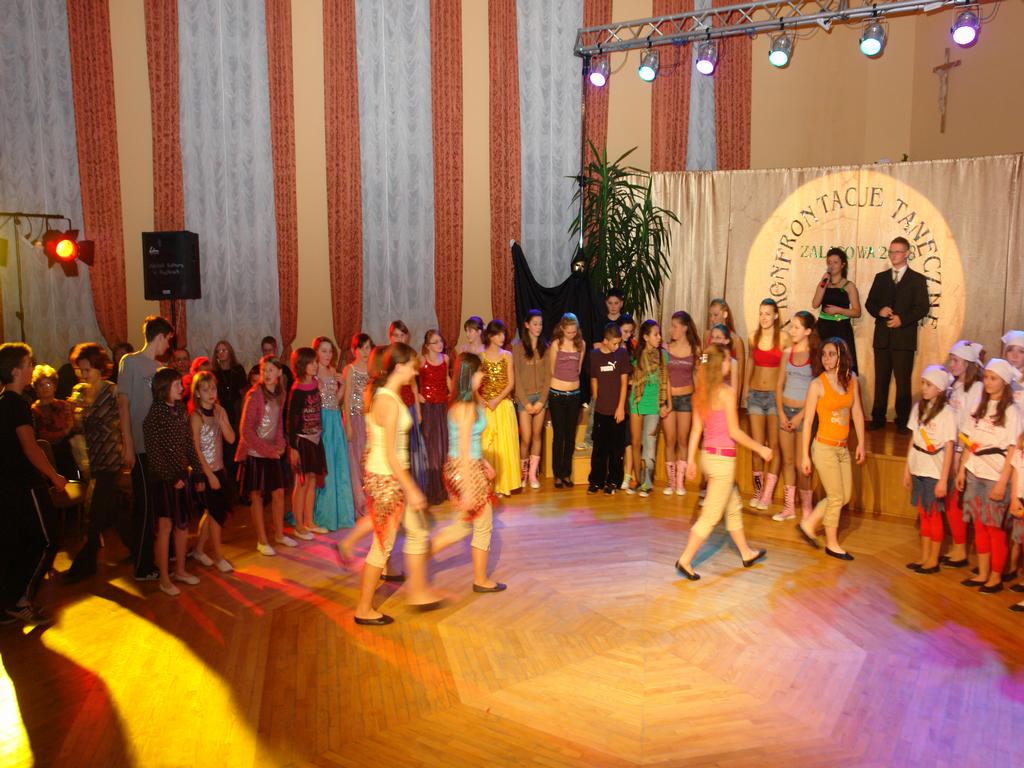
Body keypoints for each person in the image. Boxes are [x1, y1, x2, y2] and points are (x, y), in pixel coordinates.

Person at [348, 343, 442, 625]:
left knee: (417, 530)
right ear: (399, 367)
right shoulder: (387, 401)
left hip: (390, 476)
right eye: (413, 367)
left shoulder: (387, 395)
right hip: (388, 479)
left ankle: (418, 592)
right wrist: (410, 488)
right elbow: (389, 453)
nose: (416, 372)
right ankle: (363, 609)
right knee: (382, 545)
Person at [675, 345, 770, 581]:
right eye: (727, 360)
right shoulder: (726, 393)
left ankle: (746, 553)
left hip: (708, 457)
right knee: (710, 516)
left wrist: (691, 460)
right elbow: (735, 432)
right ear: (719, 365)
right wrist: (760, 448)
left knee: (733, 507)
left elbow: (696, 430)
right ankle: (685, 559)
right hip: (722, 462)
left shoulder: (701, 393)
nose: (730, 363)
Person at [0, 343, 66, 624]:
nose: (32, 368)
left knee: (17, 543)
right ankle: (21, 600)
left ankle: (8, 602)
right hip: (26, 485)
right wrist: (54, 476)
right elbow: (30, 448)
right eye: (28, 364)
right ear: (16, 371)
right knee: (48, 539)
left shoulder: (3, 401)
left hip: (8, 486)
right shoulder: (17, 404)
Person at [430, 353, 506, 592]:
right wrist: (469, 490)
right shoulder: (465, 407)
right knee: (482, 524)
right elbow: (463, 450)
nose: (483, 375)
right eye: (480, 371)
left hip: (467, 466)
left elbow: (468, 442)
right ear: (469, 375)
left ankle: (419, 555)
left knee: (462, 526)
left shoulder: (467, 402)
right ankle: (480, 580)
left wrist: (483, 462)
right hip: (465, 469)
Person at [63, 344, 132, 583]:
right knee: (112, 510)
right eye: (80, 370)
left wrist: (128, 448)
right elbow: (77, 427)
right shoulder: (81, 393)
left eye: (88, 370)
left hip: (111, 457)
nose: (83, 375)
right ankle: (139, 546)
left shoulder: (112, 391)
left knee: (95, 513)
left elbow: (126, 420)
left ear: (100, 369)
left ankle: (85, 563)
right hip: (94, 458)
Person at [956, 359, 1021, 594]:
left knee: (994, 527)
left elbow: (1013, 448)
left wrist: (1003, 482)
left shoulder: (1012, 411)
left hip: (995, 475)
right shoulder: (979, 405)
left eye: (993, 378)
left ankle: (995, 576)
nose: (988, 382)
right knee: (979, 525)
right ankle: (982, 572)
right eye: (986, 377)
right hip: (975, 471)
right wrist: (962, 469)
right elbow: (970, 442)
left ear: (1004, 382)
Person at [798, 338, 866, 560]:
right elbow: (808, 421)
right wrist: (805, 455)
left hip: (842, 448)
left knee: (844, 496)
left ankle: (809, 523)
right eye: (824, 354)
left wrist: (862, 443)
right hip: (823, 448)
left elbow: (857, 412)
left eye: (832, 354)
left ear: (841, 356)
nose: (827, 359)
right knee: (836, 497)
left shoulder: (851, 379)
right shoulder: (817, 385)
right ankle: (832, 543)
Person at [118, 315, 174, 581]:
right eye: (168, 339)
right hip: (140, 445)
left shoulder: (161, 369)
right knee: (144, 506)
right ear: (160, 336)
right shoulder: (129, 362)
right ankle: (142, 565)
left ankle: (161, 555)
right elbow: (123, 404)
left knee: (157, 504)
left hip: (158, 447)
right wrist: (128, 443)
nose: (168, 345)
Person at [143, 367, 203, 597]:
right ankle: (164, 578)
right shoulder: (155, 415)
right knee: (165, 526)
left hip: (181, 475)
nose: (182, 387)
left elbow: (188, 443)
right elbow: (155, 453)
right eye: (177, 384)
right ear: (164, 387)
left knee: (183, 524)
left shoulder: (180, 409)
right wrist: (171, 477)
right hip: (164, 479)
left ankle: (180, 570)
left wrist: (197, 472)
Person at [864, 236, 931, 433]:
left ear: (907, 253)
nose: (894, 255)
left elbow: (922, 307)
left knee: (903, 382)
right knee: (881, 380)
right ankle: (878, 418)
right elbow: (869, 303)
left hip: (904, 339)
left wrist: (903, 319)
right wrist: (879, 311)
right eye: (891, 252)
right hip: (882, 339)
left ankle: (903, 421)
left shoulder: (917, 279)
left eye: (898, 251)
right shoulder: (881, 278)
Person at [903, 366, 956, 574]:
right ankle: (924, 556)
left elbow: (949, 447)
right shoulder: (918, 408)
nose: (924, 388)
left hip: (934, 471)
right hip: (918, 466)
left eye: (929, 384)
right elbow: (913, 440)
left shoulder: (947, 413)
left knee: (933, 514)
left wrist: (943, 479)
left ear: (940, 388)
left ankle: (933, 559)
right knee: (923, 514)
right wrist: (907, 469)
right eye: (923, 383)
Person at [236, 355, 291, 556]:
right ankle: (262, 540)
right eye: (263, 370)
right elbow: (246, 431)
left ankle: (279, 534)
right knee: (257, 495)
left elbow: (278, 424)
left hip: (271, 452)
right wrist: (268, 451)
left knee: (278, 492)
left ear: (279, 373)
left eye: (270, 370)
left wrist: (281, 445)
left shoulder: (280, 393)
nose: (266, 374)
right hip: (255, 452)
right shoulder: (254, 395)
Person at [942, 340, 986, 567]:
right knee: (951, 500)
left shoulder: (976, 388)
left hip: (964, 450)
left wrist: (960, 453)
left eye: (956, 360)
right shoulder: (953, 384)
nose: (952, 364)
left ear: (968, 364)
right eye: (951, 360)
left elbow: (970, 423)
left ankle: (965, 550)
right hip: (950, 448)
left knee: (959, 501)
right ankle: (958, 547)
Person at [773, 311, 819, 522]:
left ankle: (807, 509)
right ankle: (789, 507)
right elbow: (779, 385)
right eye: (791, 326)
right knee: (788, 461)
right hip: (786, 411)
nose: (792, 331)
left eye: (796, 327)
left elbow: (816, 390)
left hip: (804, 415)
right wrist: (781, 413)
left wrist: (801, 415)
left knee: (802, 464)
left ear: (808, 331)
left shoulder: (814, 354)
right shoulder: (787, 352)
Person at [188, 370, 236, 573]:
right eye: (205, 389)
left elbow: (231, 439)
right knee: (216, 515)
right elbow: (196, 450)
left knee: (212, 513)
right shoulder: (196, 416)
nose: (210, 393)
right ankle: (218, 556)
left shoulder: (219, 410)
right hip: (205, 472)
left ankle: (199, 550)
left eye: (213, 389)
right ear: (198, 393)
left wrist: (222, 419)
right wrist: (209, 476)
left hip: (219, 468)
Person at [744, 299, 787, 510]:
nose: (764, 317)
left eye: (768, 313)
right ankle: (758, 490)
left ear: (776, 315)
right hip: (755, 395)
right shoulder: (753, 337)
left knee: (775, 446)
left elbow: (788, 368)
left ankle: (768, 494)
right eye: (761, 313)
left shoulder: (784, 338)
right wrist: (745, 388)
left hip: (774, 397)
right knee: (758, 445)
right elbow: (750, 362)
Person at [312, 336, 356, 529]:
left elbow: (336, 400)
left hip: (335, 420)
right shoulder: (313, 372)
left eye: (330, 351)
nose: (328, 355)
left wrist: (343, 385)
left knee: (338, 462)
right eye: (324, 351)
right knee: (326, 464)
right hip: (321, 420)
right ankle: (325, 513)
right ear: (316, 352)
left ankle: (341, 512)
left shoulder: (332, 371)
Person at [286, 347, 328, 540]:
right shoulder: (296, 390)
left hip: (315, 439)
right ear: (301, 365)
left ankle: (309, 521)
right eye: (311, 363)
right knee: (301, 482)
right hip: (302, 441)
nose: (315, 365)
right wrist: (293, 448)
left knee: (312, 480)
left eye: (315, 362)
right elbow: (290, 421)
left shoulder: (315, 384)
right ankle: (299, 525)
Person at [628, 320, 669, 497]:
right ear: (645, 337)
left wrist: (665, 403)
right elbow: (630, 377)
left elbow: (666, 381)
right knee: (636, 442)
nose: (659, 337)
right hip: (637, 403)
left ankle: (647, 483)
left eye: (659, 334)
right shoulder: (636, 356)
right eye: (655, 334)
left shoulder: (663, 355)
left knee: (650, 445)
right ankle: (638, 479)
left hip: (654, 405)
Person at [588, 323, 631, 494]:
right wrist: (596, 396)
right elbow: (593, 378)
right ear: (605, 341)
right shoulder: (594, 355)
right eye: (614, 343)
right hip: (601, 409)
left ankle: (613, 481)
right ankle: (596, 481)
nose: (617, 346)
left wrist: (620, 408)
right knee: (599, 447)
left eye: (619, 342)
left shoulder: (622, 354)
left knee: (616, 448)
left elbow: (624, 383)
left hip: (617, 410)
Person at [480, 319, 521, 495]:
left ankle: (504, 484)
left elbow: (511, 383)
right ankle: (489, 485)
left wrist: (496, 400)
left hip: (503, 405)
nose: (502, 337)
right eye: (498, 334)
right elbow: (475, 384)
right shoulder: (481, 356)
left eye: (503, 333)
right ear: (490, 336)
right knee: (489, 446)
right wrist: (481, 399)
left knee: (504, 444)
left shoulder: (507, 355)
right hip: (486, 407)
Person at [662, 311, 700, 497]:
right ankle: (670, 482)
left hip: (687, 399)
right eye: (672, 326)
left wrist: (701, 400)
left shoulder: (696, 349)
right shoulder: (665, 348)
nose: (672, 330)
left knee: (683, 439)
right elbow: (662, 376)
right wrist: (662, 401)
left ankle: (680, 482)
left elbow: (700, 372)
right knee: (670, 440)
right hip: (669, 399)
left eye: (675, 326)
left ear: (685, 328)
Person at [389, 321, 428, 494]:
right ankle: (402, 487)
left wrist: (418, 411)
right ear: (391, 337)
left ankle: (413, 485)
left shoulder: (410, 355)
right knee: (397, 446)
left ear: (406, 337)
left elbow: (413, 385)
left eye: (402, 335)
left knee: (411, 448)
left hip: (409, 406)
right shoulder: (390, 357)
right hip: (395, 406)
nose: (399, 338)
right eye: (396, 335)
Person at [513, 309, 550, 489]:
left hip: (541, 399)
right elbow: (516, 379)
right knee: (526, 438)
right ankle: (523, 473)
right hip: (524, 399)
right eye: (535, 324)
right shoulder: (518, 348)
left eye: (540, 324)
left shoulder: (546, 347)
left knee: (537, 436)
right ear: (527, 325)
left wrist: (542, 401)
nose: (538, 327)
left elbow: (549, 377)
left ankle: (533, 475)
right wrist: (526, 403)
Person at [548, 313, 584, 489]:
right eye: (568, 332)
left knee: (570, 436)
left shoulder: (581, 344)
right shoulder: (556, 344)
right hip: (557, 395)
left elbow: (578, 369)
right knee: (559, 435)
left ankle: (566, 473)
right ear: (562, 328)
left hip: (574, 395)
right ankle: (557, 474)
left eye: (574, 331)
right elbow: (552, 369)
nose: (571, 334)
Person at [812, 247, 861, 373]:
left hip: (841, 328)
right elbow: (815, 304)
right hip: (823, 327)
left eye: (835, 262)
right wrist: (823, 283)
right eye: (829, 262)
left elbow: (857, 312)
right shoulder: (823, 283)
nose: (831, 266)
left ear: (843, 265)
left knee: (841, 364)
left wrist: (838, 310)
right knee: (822, 363)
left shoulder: (849, 286)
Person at [342, 333, 373, 518]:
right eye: (361, 348)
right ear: (354, 350)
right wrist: (348, 425)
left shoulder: (372, 369)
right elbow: (346, 399)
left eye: (368, 347)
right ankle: (359, 502)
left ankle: (370, 500)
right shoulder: (350, 369)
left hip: (369, 419)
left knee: (368, 460)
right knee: (355, 461)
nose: (365, 352)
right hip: (354, 419)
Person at [418, 330, 450, 505]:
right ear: (427, 346)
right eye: (435, 342)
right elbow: (410, 380)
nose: (440, 344)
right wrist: (417, 395)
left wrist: (455, 393)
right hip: (429, 408)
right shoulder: (421, 361)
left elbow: (447, 380)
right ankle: (432, 488)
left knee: (445, 445)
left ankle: (446, 487)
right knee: (432, 448)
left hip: (443, 406)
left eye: (440, 341)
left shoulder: (445, 359)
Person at [212, 339, 247, 497]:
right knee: (225, 452)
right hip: (221, 414)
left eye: (224, 350)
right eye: (218, 351)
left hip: (237, 413)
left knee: (238, 450)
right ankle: (229, 489)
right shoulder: (214, 373)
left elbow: (243, 393)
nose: (221, 353)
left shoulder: (238, 370)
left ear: (230, 352)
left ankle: (241, 488)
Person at [31, 363, 78, 479]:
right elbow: (43, 436)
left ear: (54, 386)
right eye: (41, 385)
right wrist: (65, 432)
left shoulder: (64, 405)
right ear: (36, 389)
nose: (45, 387)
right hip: (47, 454)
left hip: (68, 452)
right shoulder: (34, 410)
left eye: (48, 383)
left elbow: (73, 427)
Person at [706, 299, 745, 395]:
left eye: (716, 315)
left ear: (725, 314)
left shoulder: (736, 340)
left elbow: (740, 373)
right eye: (710, 315)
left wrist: (737, 399)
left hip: (727, 391)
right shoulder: (707, 335)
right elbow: (705, 358)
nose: (712, 319)